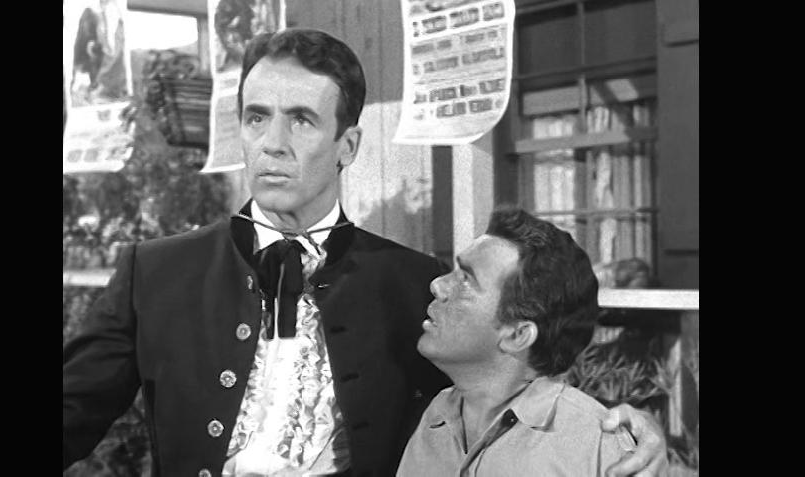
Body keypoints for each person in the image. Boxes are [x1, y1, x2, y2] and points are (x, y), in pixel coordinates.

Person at [63, 28, 666, 477]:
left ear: (347, 145)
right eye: (256, 117)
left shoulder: (415, 284)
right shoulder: (155, 271)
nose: (272, 144)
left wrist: (618, 429)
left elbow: (502, 385)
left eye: (301, 120)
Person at [397, 207, 668, 477]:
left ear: (517, 335)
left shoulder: (593, 445)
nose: (437, 285)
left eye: (467, 279)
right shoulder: (435, 417)